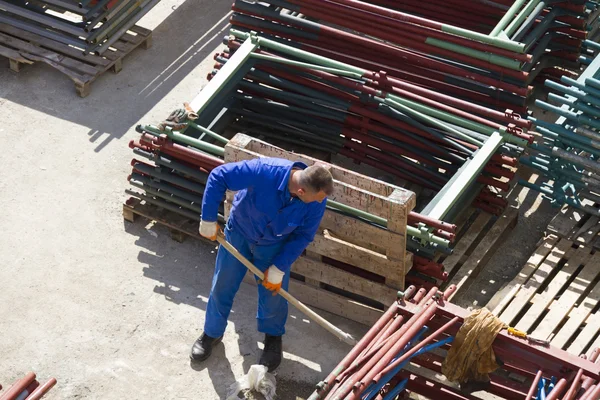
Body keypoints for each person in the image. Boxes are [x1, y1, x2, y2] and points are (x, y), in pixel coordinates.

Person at [190, 157, 334, 371]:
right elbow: (218, 176)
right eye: (315, 199)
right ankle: (211, 333)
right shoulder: (264, 171)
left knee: (273, 295)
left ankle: (273, 339)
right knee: (223, 285)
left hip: (273, 245)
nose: (318, 203)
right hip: (239, 235)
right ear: (301, 192)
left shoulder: (317, 200)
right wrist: (208, 219)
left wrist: (279, 266)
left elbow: (303, 235)